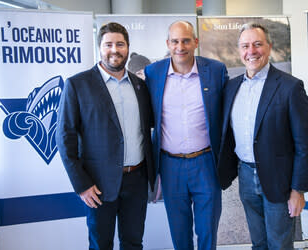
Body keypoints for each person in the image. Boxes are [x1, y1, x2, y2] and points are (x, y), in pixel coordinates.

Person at [56, 22, 155, 250]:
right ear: (99, 48)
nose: (114, 49)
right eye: (108, 44)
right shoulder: (78, 85)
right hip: (97, 185)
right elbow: (65, 137)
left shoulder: (140, 86)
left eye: (120, 44)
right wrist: (82, 185)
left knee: (133, 243)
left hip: (137, 180)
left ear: (127, 47)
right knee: (101, 245)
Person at [217, 23, 308, 250]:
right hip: (245, 176)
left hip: (279, 181)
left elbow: (305, 144)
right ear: (239, 51)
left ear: (269, 47)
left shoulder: (290, 87)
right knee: (259, 243)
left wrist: (298, 190)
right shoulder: (231, 88)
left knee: (279, 244)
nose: (251, 51)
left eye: (257, 44)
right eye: (245, 46)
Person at [144, 20, 228, 250]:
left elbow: (227, 114)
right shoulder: (153, 73)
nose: (180, 46)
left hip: (206, 163)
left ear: (196, 42)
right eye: (175, 41)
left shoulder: (216, 71)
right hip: (170, 166)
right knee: (179, 232)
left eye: (186, 41)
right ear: (168, 43)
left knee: (207, 230)